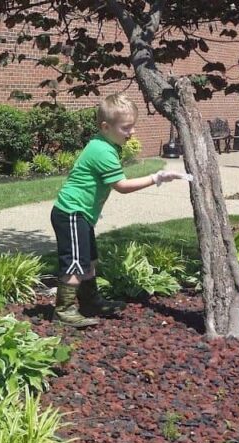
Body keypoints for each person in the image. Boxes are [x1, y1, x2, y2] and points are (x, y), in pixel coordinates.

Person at [51, 93, 188, 328]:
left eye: (133, 126)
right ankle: (64, 310)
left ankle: (90, 301)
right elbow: (122, 186)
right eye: (126, 128)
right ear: (105, 127)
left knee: (89, 261)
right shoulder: (103, 151)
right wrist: (157, 177)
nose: (132, 132)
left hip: (80, 214)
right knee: (75, 262)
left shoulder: (104, 144)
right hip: (72, 213)